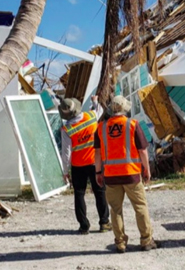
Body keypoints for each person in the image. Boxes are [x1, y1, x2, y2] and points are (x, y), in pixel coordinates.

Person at [94, 95, 157, 253]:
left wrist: (98, 172)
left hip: (110, 176)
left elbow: (97, 153)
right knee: (140, 207)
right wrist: (147, 170)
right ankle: (146, 240)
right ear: (124, 109)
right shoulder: (132, 125)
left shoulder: (100, 127)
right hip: (131, 175)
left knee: (115, 210)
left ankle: (120, 243)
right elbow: (143, 150)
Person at [59, 97, 110, 234]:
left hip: (78, 165)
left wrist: (65, 171)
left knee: (79, 194)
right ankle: (104, 223)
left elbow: (66, 153)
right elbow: (99, 109)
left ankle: (83, 226)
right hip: (95, 163)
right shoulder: (91, 116)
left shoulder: (66, 129)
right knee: (100, 192)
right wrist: (95, 101)